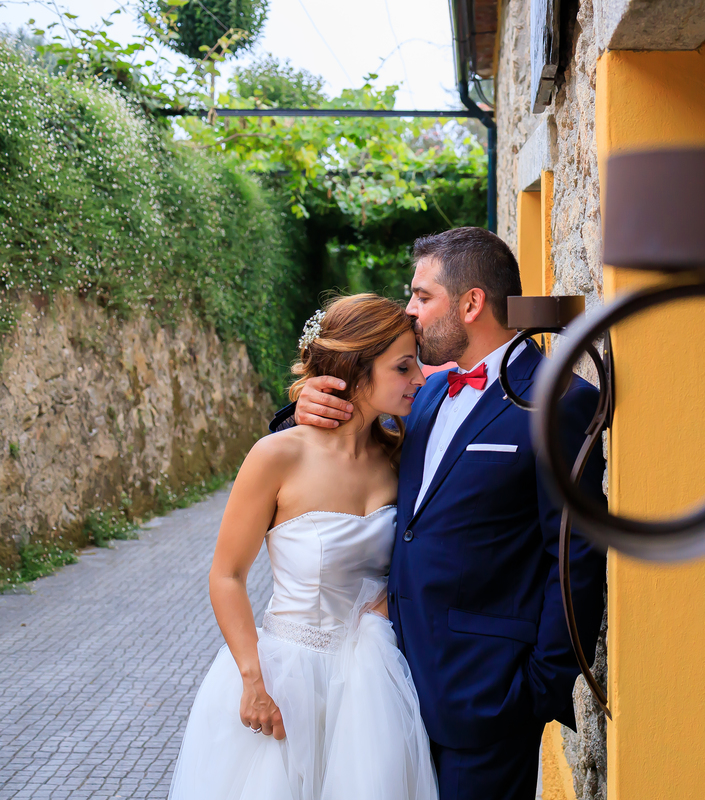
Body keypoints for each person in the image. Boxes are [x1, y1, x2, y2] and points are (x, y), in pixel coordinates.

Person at [291, 227, 606, 800]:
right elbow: (351, 450)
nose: (408, 312)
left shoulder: (558, 402)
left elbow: (575, 555)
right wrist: (300, 411)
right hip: (392, 694)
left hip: (487, 700)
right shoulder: (426, 394)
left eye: (421, 296)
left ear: (471, 303)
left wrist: (540, 685)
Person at [169, 294, 438, 800]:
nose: (420, 378)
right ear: (357, 373)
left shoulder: (402, 456)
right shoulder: (278, 455)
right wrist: (253, 680)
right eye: (404, 367)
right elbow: (226, 575)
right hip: (284, 679)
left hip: (372, 686)